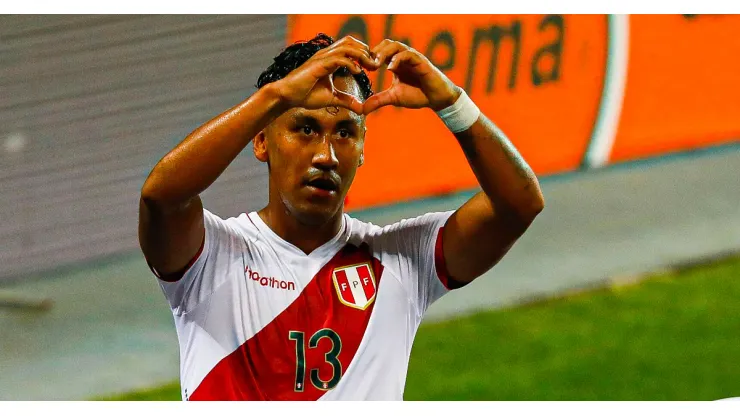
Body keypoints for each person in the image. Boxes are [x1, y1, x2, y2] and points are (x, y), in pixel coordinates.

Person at [138, 33, 544, 401]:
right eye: (305, 128)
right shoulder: (212, 257)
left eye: (346, 133)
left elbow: (519, 205)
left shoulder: (403, 261)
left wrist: (453, 104)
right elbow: (161, 198)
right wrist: (273, 98)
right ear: (261, 140)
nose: (326, 156)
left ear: (364, 149)